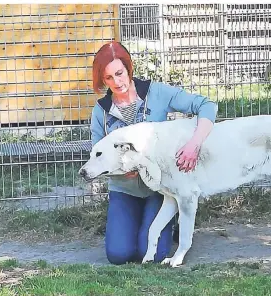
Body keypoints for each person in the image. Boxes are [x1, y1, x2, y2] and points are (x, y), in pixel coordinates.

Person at [90, 41, 217, 265]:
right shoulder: (100, 111)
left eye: (119, 73)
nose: (116, 82)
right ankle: (133, 223)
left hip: (160, 188)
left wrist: (194, 144)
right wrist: (119, 172)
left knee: (155, 255)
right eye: (108, 78)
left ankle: (169, 223)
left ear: (129, 68)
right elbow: (98, 157)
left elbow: (206, 106)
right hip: (124, 189)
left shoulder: (156, 93)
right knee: (119, 255)